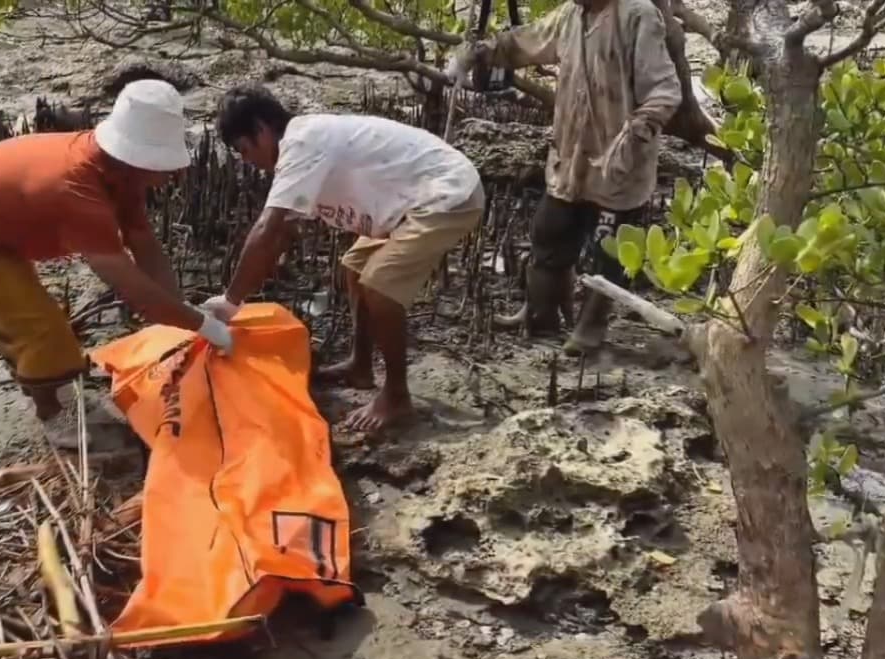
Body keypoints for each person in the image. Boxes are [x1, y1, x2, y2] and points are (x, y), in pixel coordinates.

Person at [0, 79, 232, 450]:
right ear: (138, 160)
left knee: (39, 329)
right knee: (41, 331)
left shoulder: (119, 174)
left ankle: (54, 386)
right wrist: (203, 326)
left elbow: (144, 242)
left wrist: (179, 309)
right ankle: (55, 416)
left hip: (0, 221)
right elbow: (135, 291)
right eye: (165, 166)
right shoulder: (78, 193)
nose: (172, 176)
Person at [202, 85, 485, 433]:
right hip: (411, 200)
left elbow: (268, 227)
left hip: (447, 193)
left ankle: (397, 395)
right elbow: (279, 236)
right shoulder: (302, 147)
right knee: (354, 268)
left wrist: (230, 301)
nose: (248, 161)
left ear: (261, 130)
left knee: (379, 285)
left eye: (245, 150)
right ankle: (361, 366)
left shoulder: (301, 144)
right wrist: (245, 290)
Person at [448, 0, 681, 355]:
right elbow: (525, 42)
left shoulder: (638, 14)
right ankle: (541, 317)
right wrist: (479, 53)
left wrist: (636, 131)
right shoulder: (572, 15)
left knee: (609, 251)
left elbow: (664, 90)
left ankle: (590, 329)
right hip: (572, 157)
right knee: (548, 232)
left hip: (619, 165)